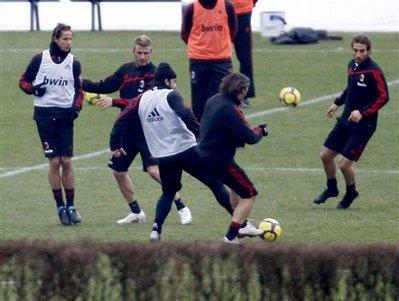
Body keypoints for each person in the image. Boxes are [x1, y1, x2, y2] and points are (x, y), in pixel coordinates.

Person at [112, 63, 264, 241]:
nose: (175, 85)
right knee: (215, 184)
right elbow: (184, 113)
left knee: (168, 192)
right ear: (167, 81)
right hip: (187, 150)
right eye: (174, 81)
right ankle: (242, 225)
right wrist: (200, 133)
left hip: (163, 155)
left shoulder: (141, 99)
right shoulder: (172, 95)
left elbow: (122, 119)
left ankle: (156, 229)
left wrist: (115, 144)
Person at [82, 35, 192, 225]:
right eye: (139, 52)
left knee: (153, 171)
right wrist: (79, 82)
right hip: (127, 130)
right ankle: (136, 212)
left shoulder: (155, 75)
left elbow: (140, 101)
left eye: (146, 53)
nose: (142, 56)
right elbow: (105, 85)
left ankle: (181, 206)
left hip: (149, 130)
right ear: (133, 51)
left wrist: (114, 101)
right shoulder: (126, 70)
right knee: (118, 171)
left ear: (151, 53)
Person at [314, 34, 389, 209]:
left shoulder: (374, 70)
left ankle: (351, 192)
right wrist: (337, 103)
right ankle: (332, 189)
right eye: (355, 50)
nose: (358, 54)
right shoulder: (352, 65)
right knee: (325, 156)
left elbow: (384, 96)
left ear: (369, 51)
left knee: (344, 164)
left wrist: (363, 113)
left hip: (364, 125)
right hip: (346, 120)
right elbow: (351, 88)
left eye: (362, 51)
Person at [19, 23, 83, 226]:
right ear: (56, 39)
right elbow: (23, 81)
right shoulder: (40, 59)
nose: (68, 43)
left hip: (65, 116)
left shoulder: (74, 63)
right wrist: (33, 90)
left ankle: (71, 206)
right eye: (65, 39)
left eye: (71, 39)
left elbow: (79, 90)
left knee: (67, 161)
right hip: (45, 116)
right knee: (54, 162)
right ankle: (60, 206)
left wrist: (76, 107)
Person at [198, 72, 268, 243]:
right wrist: (261, 131)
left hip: (204, 155)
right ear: (242, 90)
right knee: (250, 194)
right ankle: (231, 236)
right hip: (219, 160)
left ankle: (242, 224)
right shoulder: (230, 109)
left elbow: (223, 129)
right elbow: (250, 138)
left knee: (236, 187)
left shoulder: (214, 99)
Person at [181, 0, 237, 121]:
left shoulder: (227, 6)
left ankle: (215, 129)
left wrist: (222, 45)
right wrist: (197, 47)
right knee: (198, 99)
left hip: (221, 61)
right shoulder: (192, 8)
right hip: (198, 60)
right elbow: (185, 33)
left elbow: (233, 29)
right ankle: (198, 131)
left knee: (219, 97)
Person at [231, 0, 257, 105]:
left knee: (245, 56)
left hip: (243, 11)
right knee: (221, 56)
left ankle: (244, 94)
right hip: (222, 11)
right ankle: (219, 94)